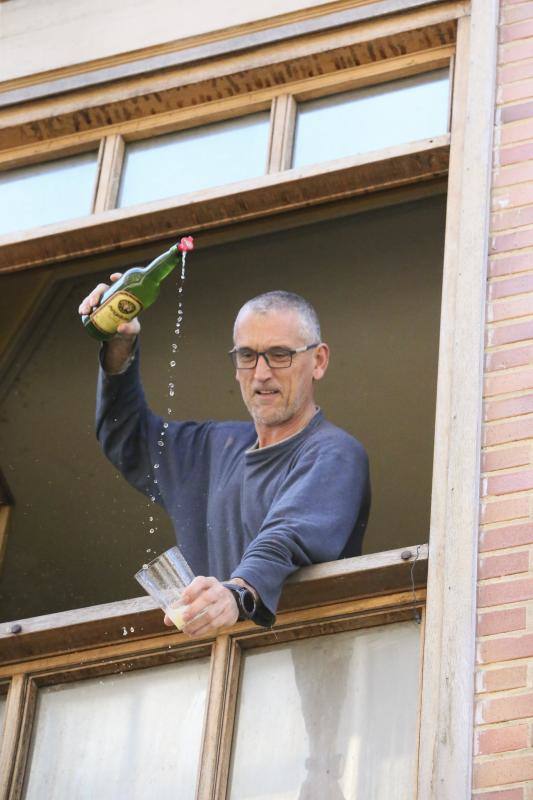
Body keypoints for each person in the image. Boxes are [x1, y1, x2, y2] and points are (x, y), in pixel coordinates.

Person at [79, 278, 370, 638]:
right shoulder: (213, 448)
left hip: (303, 673)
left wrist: (237, 592)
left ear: (318, 361)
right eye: (247, 356)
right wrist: (120, 340)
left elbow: (285, 537)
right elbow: (128, 437)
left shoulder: (335, 453)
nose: (261, 374)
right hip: (216, 678)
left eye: (280, 354)